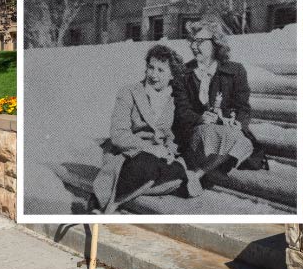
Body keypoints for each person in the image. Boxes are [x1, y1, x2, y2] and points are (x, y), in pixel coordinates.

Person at [92, 44, 199, 214]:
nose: (153, 75)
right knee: (146, 165)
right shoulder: (129, 92)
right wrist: (151, 149)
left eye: (160, 70)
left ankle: (121, 194)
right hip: (129, 153)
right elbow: (118, 135)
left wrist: (169, 150)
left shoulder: (174, 100)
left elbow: (171, 135)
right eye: (151, 67)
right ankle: (111, 204)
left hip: (158, 157)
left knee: (179, 174)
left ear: (172, 75)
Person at [172, 21, 257, 187]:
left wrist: (237, 122)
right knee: (215, 135)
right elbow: (181, 111)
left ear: (216, 43)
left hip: (226, 131)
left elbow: (243, 108)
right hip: (195, 133)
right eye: (192, 41)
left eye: (200, 41)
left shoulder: (236, 71)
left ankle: (197, 174)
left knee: (242, 141)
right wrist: (200, 118)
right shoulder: (183, 73)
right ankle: (206, 167)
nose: (194, 46)